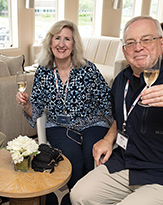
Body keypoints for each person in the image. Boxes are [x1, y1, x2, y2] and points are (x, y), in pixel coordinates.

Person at [16, 20, 112, 204]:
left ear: (74, 44)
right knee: (73, 159)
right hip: (59, 125)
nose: (61, 44)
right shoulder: (43, 72)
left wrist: (117, 130)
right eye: (57, 38)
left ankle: (81, 197)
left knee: (91, 154)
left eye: (67, 39)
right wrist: (26, 104)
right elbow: (34, 109)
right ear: (50, 42)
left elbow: (107, 100)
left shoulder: (88, 69)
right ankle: (77, 196)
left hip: (92, 122)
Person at [71, 16, 163, 205]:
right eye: (131, 43)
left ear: (161, 42)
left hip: (159, 173)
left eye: (146, 39)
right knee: (78, 195)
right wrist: (108, 138)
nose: (138, 47)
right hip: (126, 162)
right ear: (124, 50)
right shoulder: (121, 79)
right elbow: (120, 117)